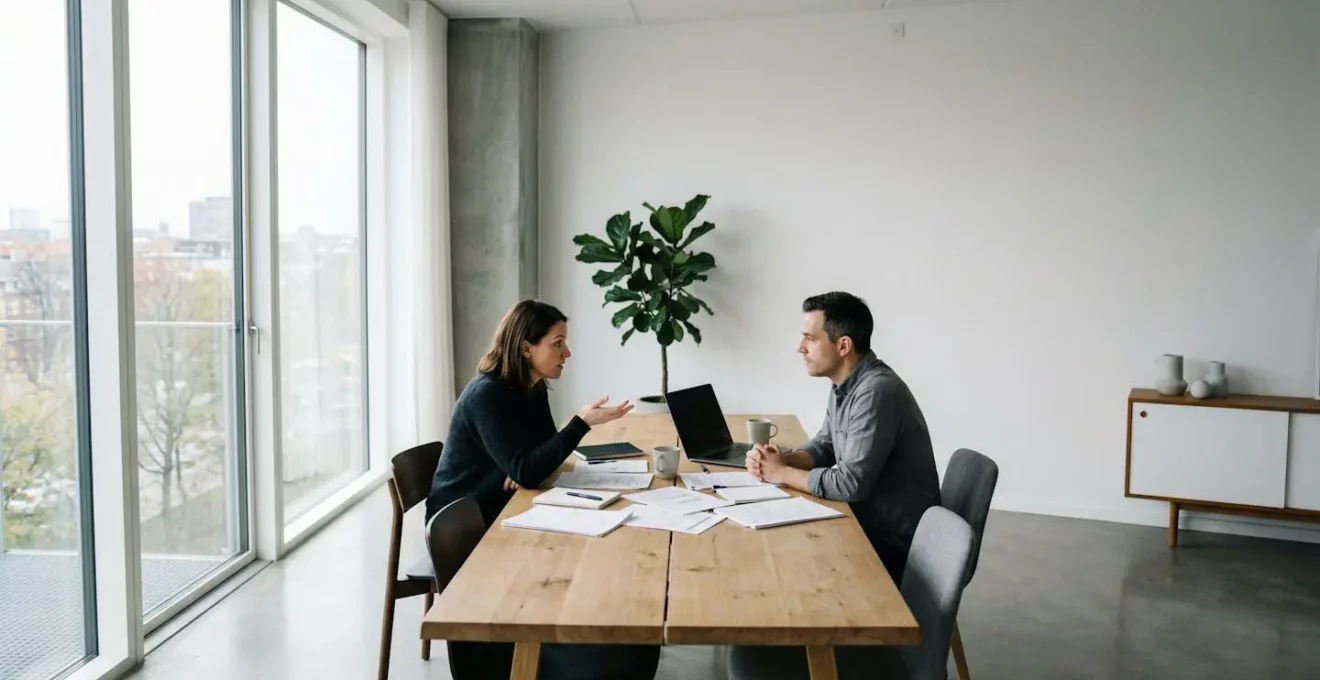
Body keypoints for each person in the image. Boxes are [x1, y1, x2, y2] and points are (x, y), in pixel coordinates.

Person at [425, 299, 659, 680]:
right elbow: (531, 467)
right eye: (557, 342)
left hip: (509, 506)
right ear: (525, 347)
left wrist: (527, 465)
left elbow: (539, 459)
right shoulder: (488, 394)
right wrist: (579, 424)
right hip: (474, 523)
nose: (567, 352)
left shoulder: (532, 388)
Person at [745, 291, 940, 583]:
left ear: (843, 346)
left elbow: (850, 484)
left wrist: (781, 473)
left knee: (781, 562)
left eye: (810, 338)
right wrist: (782, 459)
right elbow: (825, 445)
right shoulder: (846, 385)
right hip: (869, 524)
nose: (801, 347)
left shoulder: (876, 392)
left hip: (892, 545)